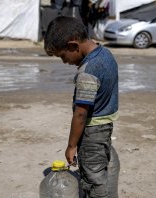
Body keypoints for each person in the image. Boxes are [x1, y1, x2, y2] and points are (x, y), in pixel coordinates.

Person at [44, 16, 119, 197]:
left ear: (73, 46)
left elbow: (80, 114)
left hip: (92, 133)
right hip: (105, 126)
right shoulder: (106, 54)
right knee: (100, 170)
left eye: (63, 56)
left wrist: (71, 146)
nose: (65, 62)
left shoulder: (88, 72)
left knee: (93, 178)